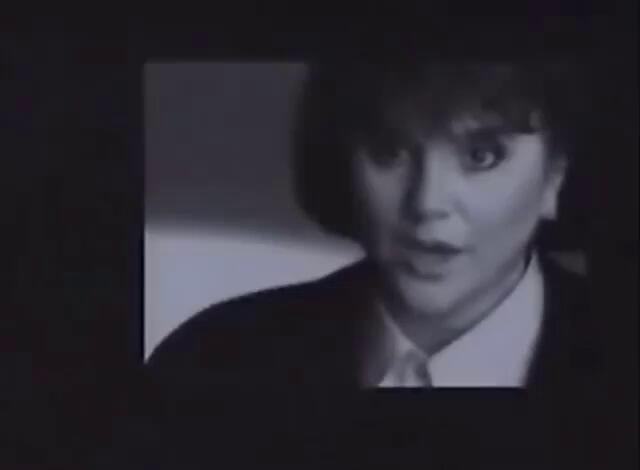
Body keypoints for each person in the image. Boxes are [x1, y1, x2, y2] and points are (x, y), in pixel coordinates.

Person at [147, 61, 603, 391]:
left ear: (554, 177)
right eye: (389, 151)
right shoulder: (211, 361)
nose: (427, 203)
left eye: (481, 156)